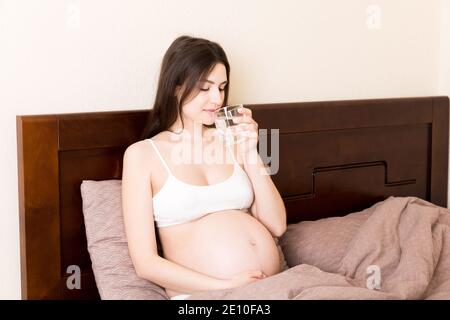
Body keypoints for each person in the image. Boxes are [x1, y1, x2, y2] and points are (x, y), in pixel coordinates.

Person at [121, 35, 287, 300]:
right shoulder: (142, 156)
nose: (217, 98)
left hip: (269, 288)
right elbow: (146, 263)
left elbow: (277, 226)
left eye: (221, 87)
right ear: (175, 87)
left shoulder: (232, 139)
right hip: (203, 296)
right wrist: (225, 285)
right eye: (204, 87)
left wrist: (250, 151)